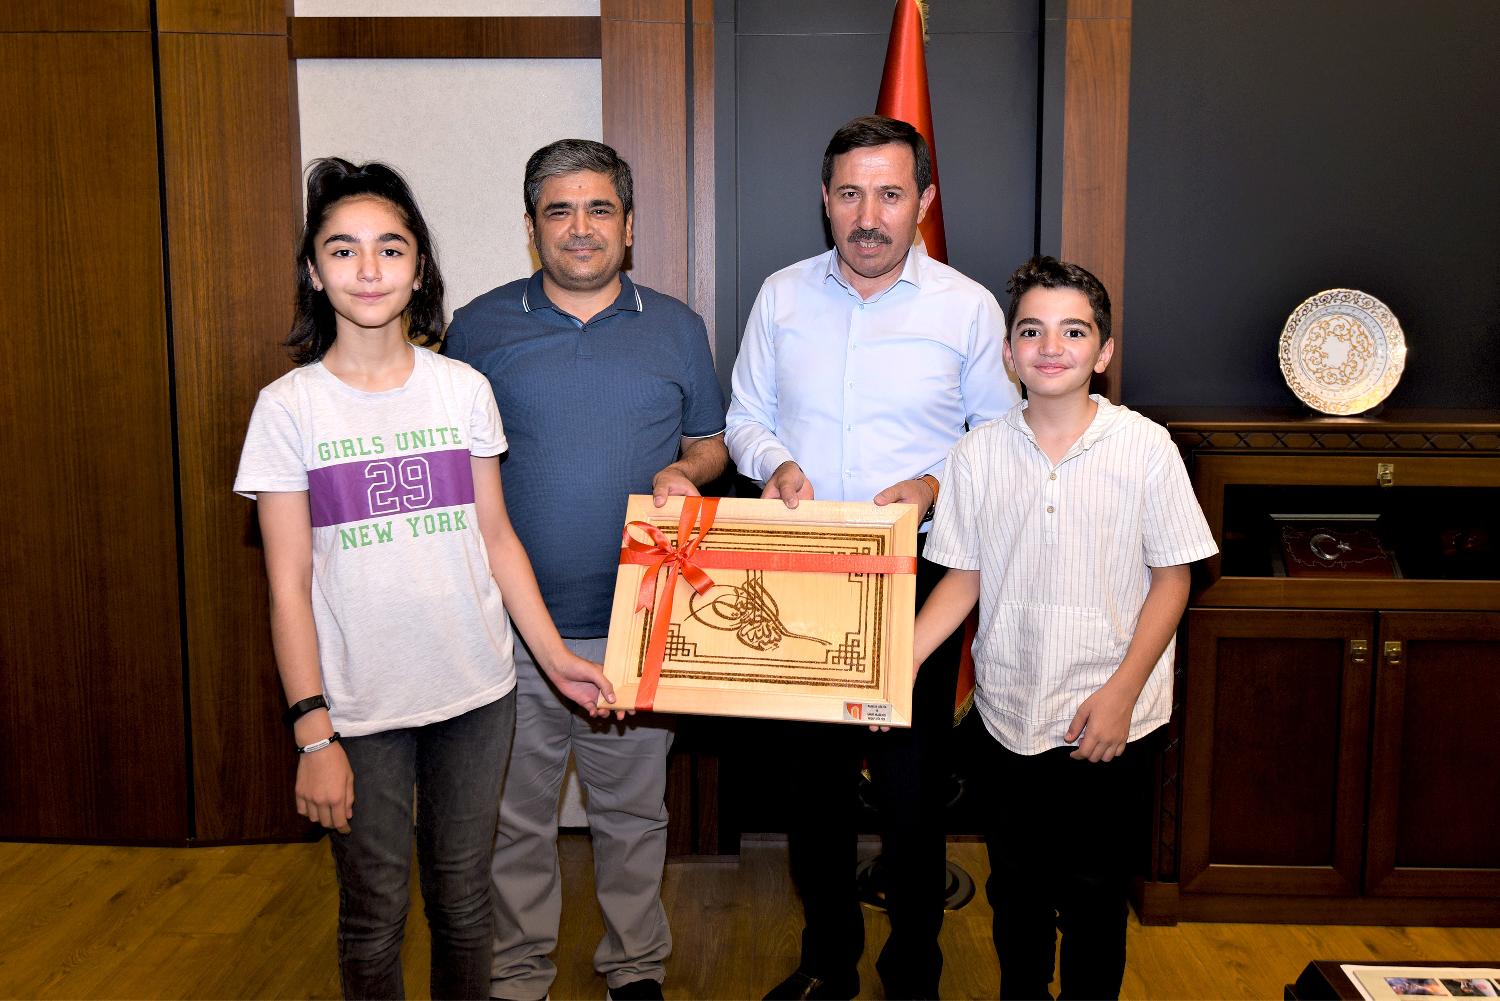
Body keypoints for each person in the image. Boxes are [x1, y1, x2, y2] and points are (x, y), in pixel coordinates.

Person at [235, 157, 617, 1000]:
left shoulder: (462, 389)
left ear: (419, 269)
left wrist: (556, 658)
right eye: (343, 249)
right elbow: (287, 585)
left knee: (465, 901)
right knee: (373, 914)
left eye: (391, 248)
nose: (368, 269)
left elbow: (497, 537)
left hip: (476, 696)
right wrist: (313, 733)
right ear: (314, 271)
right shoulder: (288, 408)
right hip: (358, 708)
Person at [725, 114, 1020, 1000]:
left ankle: (914, 971)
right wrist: (773, 462)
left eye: (890, 194)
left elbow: (997, 436)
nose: (868, 215)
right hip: (805, 570)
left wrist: (930, 485)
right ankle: (828, 962)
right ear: (825, 199)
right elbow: (744, 417)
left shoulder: (967, 307)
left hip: (918, 575)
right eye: (850, 193)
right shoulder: (781, 296)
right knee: (813, 791)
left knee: (910, 792)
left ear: (922, 201)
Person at [443, 139, 728, 1001]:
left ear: (628, 225)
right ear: (532, 228)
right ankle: (517, 971)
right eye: (558, 210)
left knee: (634, 816)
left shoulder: (677, 326)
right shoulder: (478, 328)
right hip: (511, 629)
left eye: (599, 208)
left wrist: (688, 471)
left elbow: (710, 444)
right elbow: (452, 471)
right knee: (515, 819)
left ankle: (635, 969)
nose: (580, 227)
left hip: (638, 626)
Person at [913, 256, 1218, 1000]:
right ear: (1009, 351)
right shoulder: (976, 454)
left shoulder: (1146, 447)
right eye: (1032, 331)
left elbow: (1173, 579)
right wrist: (896, 661)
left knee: (1094, 895)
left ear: (1103, 351)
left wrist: (1121, 694)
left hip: (1110, 718)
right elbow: (963, 577)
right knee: (1015, 891)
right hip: (1009, 714)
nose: (1051, 347)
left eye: (1073, 331)